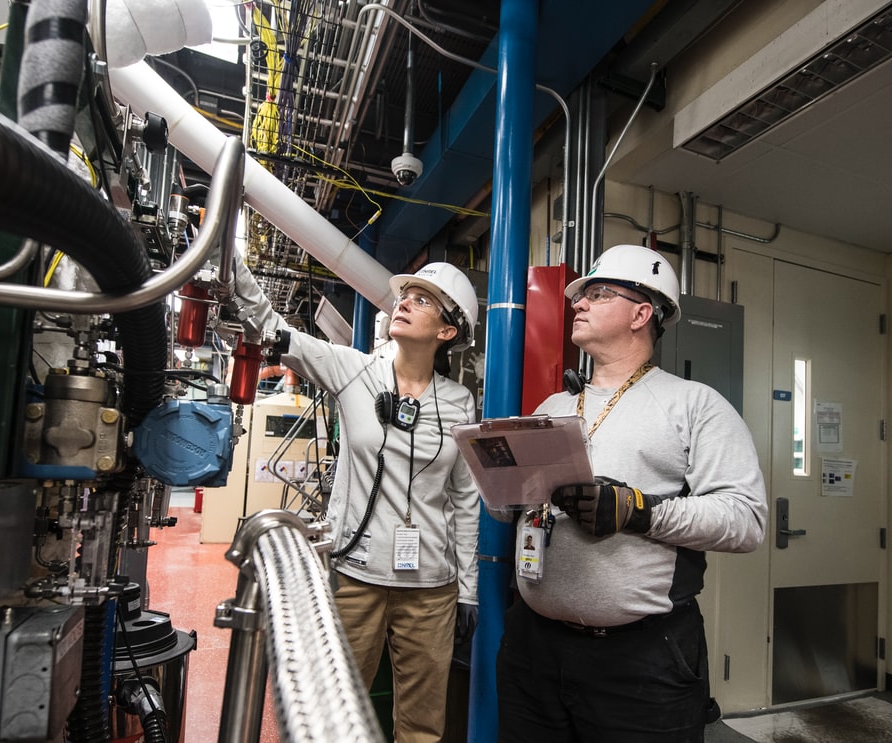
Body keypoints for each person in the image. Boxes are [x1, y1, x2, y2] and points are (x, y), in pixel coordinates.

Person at [496, 244, 768, 742]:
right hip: (532, 649)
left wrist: (637, 510)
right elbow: (517, 504)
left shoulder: (695, 405)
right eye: (580, 296)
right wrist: (504, 494)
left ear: (642, 313)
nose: (577, 304)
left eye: (597, 294)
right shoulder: (556, 403)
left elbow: (745, 520)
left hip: (641, 663)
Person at [232, 256, 481, 742]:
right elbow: (272, 329)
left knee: (422, 726)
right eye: (405, 296)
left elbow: (465, 501)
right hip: (355, 580)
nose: (405, 303)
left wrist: (467, 590)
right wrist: (231, 266)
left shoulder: (459, 402)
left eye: (423, 300)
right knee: (333, 712)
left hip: (431, 589)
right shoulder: (353, 370)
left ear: (447, 333)